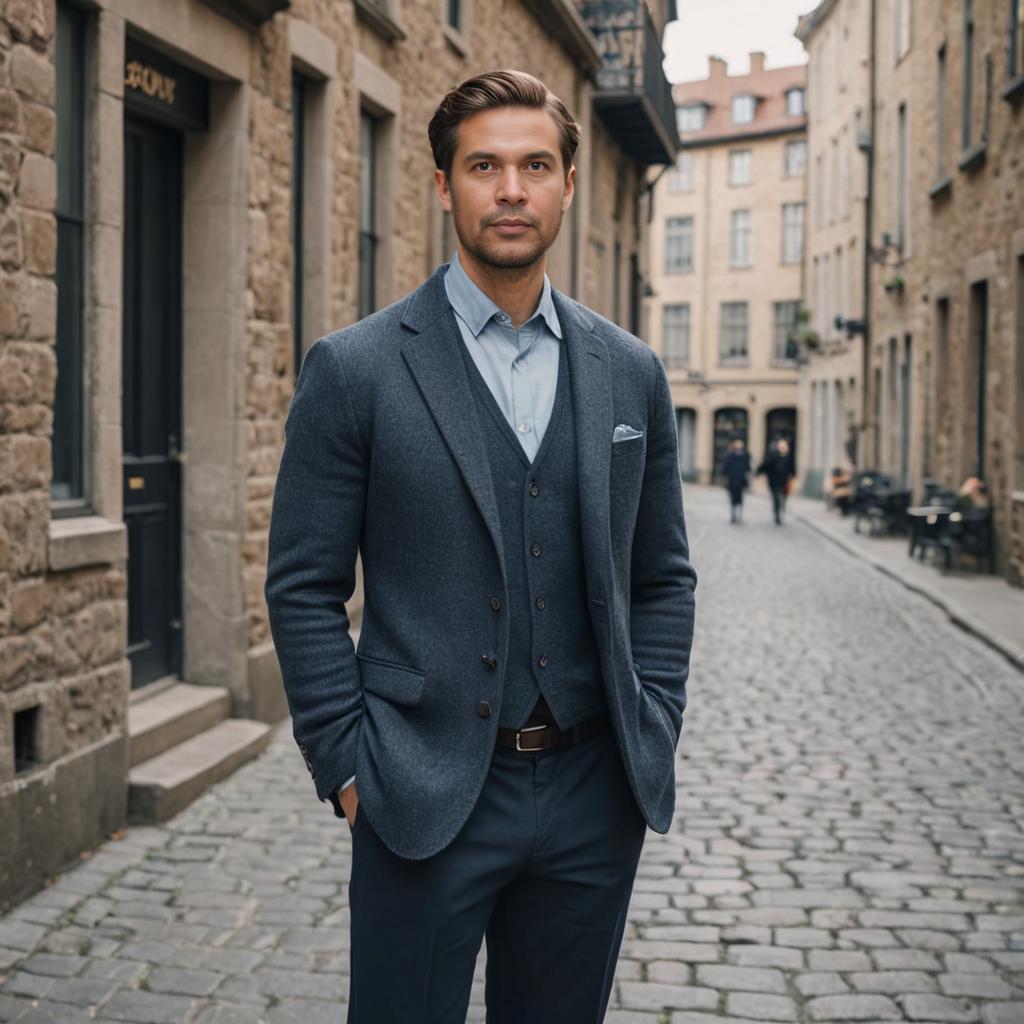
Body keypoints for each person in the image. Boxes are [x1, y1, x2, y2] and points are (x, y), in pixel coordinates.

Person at [264, 70, 697, 1024]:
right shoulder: (358, 368)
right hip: (420, 794)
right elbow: (302, 585)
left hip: (593, 793)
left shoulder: (630, 372)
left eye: (535, 165)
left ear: (568, 185)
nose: (511, 189)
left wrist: (652, 721)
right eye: (485, 166)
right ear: (443, 184)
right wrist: (348, 769)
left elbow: (661, 576)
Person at [757, 437, 795, 525]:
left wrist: (793, 477)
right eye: (781, 445)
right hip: (774, 482)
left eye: (784, 445)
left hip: (785, 482)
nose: (782, 447)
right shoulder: (773, 455)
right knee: (777, 499)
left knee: (783, 499)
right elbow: (766, 465)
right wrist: (759, 472)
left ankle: (781, 512)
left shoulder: (789, 456)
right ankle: (777, 515)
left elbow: (792, 468)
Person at [721, 437, 752, 523]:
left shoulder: (745, 455)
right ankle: (733, 515)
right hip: (732, 480)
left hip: (741, 481)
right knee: (733, 499)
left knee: (740, 498)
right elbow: (725, 467)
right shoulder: (730, 455)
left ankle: (738, 514)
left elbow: (748, 468)